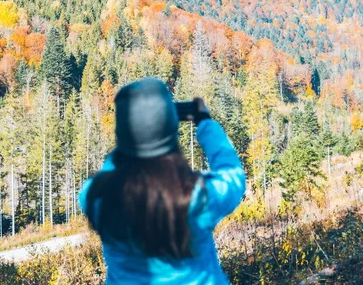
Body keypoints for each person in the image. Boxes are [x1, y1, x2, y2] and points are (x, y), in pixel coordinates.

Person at [79, 77, 246, 284]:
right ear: (170, 130)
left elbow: (109, 170)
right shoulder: (197, 197)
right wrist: (205, 122)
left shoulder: (94, 197)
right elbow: (233, 174)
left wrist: (133, 138)